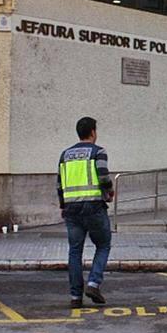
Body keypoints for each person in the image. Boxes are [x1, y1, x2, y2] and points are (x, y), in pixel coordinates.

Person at [57, 117, 114, 309]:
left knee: (75, 251)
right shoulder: (98, 152)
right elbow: (103, 176)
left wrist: (62, 205)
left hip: (72, 208)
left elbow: (59, 183)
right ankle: (93, 283)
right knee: (104, 244)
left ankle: (75, 296)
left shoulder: (65, 155)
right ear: (92, 132)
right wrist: (109, 192)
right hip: (93, 207)